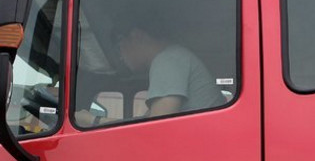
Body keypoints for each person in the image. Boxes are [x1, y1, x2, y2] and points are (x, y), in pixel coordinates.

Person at [75, 24, 225, 127]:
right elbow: (145, 122)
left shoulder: (167, 60)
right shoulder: (175, 57)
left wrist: (92, 120)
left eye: (119, 47)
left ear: (136, 36)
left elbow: (157, 128)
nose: (120, 57)